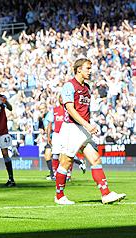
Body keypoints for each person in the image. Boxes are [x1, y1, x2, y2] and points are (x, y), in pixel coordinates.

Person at [55, 58, 126, 205]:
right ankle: (59, 196)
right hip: (71, 128)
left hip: (83, 129)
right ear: (78, 69)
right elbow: (70, 109)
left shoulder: (87, 88)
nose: (90, 71)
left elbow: (84, 110)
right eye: (87, 68)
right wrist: (87, 125)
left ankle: (105, 194)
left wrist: (88, 125)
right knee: (66, 162)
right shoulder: (69, 86)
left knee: (95, 159)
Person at [49, 95, 86, 181]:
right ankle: (55, 174)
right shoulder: (54, 110)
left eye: (63, 98)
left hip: (67, 134)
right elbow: (50, 124)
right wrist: (48, 136)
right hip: (57, 134)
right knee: (55, 154)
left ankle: (68, 174)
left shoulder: (70, 110)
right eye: (60, 98)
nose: (62, 99)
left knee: (68, 154)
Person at [37, 103, 55, 181]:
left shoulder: (50, 115)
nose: (41, 110)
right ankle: (52, 175)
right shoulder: (42, 118)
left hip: (54, 138)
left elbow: (49, 127)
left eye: (43, 108)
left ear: (46, 108)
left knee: (62, 155)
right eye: (40, 109)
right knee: (47, 156)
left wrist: (47, 136)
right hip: (50, 138)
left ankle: (79, 162)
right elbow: (43, 128)